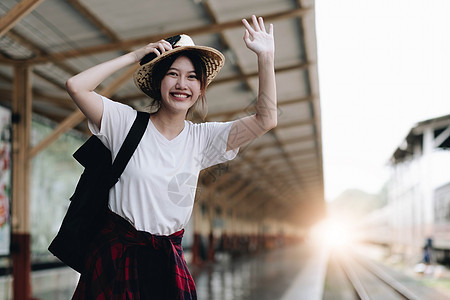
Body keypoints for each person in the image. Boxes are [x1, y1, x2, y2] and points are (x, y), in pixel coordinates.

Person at [66, 15, 276, 299]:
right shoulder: (125, 122)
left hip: (167, 263)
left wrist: (265, 58)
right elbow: (77, 86)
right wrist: (135, 55)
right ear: (158, 80)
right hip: (116, 260)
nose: (182, 84)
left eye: (192, 77)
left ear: (201, 89)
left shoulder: (203, 139)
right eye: (173, 73)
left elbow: (266, 119)